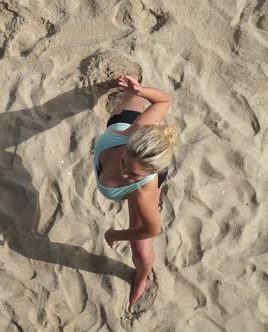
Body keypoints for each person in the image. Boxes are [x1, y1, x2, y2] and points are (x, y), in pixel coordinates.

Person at [94, 74, 176, 306]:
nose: (124, 175)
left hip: (140, 187)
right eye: (124, 165)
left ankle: (141, 276)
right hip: (125, 127)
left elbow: (152, 228)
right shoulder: (135, 128)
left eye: (133, 174)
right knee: (129, 104)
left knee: (141, 253)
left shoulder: (142, 190)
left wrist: (115, 235)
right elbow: (163, 102)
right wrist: (139, 90)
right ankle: (131, 85)